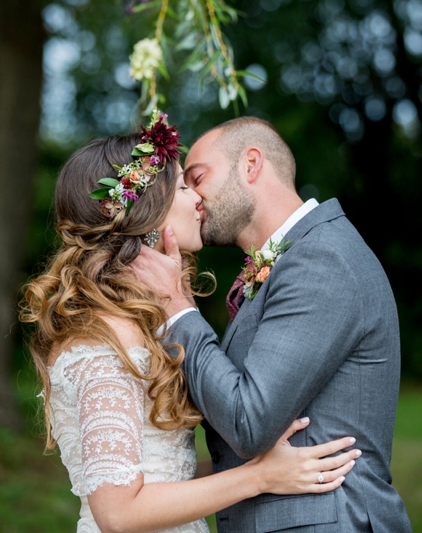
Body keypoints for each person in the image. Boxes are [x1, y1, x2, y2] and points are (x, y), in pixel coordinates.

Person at [19, 112, 362, 533]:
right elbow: (117, 512)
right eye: (183, 186)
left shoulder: (143, 325)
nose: (197, 197)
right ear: (148, 212)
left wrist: (259, 467)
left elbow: (162, 477)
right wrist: (259, 476)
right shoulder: (104, 336)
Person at [132, 117, 413, 533]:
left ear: (250, 164)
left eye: (197, 177)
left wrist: (177, 307)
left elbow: (249, 421)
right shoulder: (294, 259)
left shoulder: (320, 260)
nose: (191, 196)